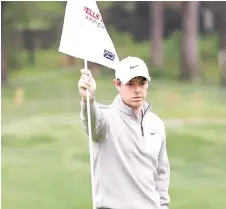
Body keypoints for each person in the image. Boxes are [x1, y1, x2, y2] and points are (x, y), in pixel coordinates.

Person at [78, 56, 171, 209]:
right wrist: (89, 99)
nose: (137, 90)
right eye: (130, 84)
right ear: (117, 84)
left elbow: (162, 173)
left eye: (142, 83)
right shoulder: (106, 119)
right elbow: (92, 123)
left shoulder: (156, 124)